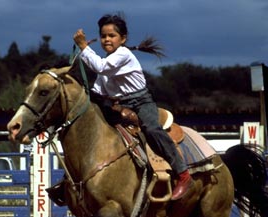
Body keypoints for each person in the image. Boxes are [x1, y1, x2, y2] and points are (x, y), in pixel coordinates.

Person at [73, 14, 193, 200]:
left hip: (140, 102)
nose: (106, 39)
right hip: (117, 105)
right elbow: (98, 88)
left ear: (123, 38)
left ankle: (183, 174)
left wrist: (83, 47)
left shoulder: (123, 55)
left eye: (111, 35)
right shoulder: (107, 61)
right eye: (103, 36)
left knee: (151, 129)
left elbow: (101, 67)